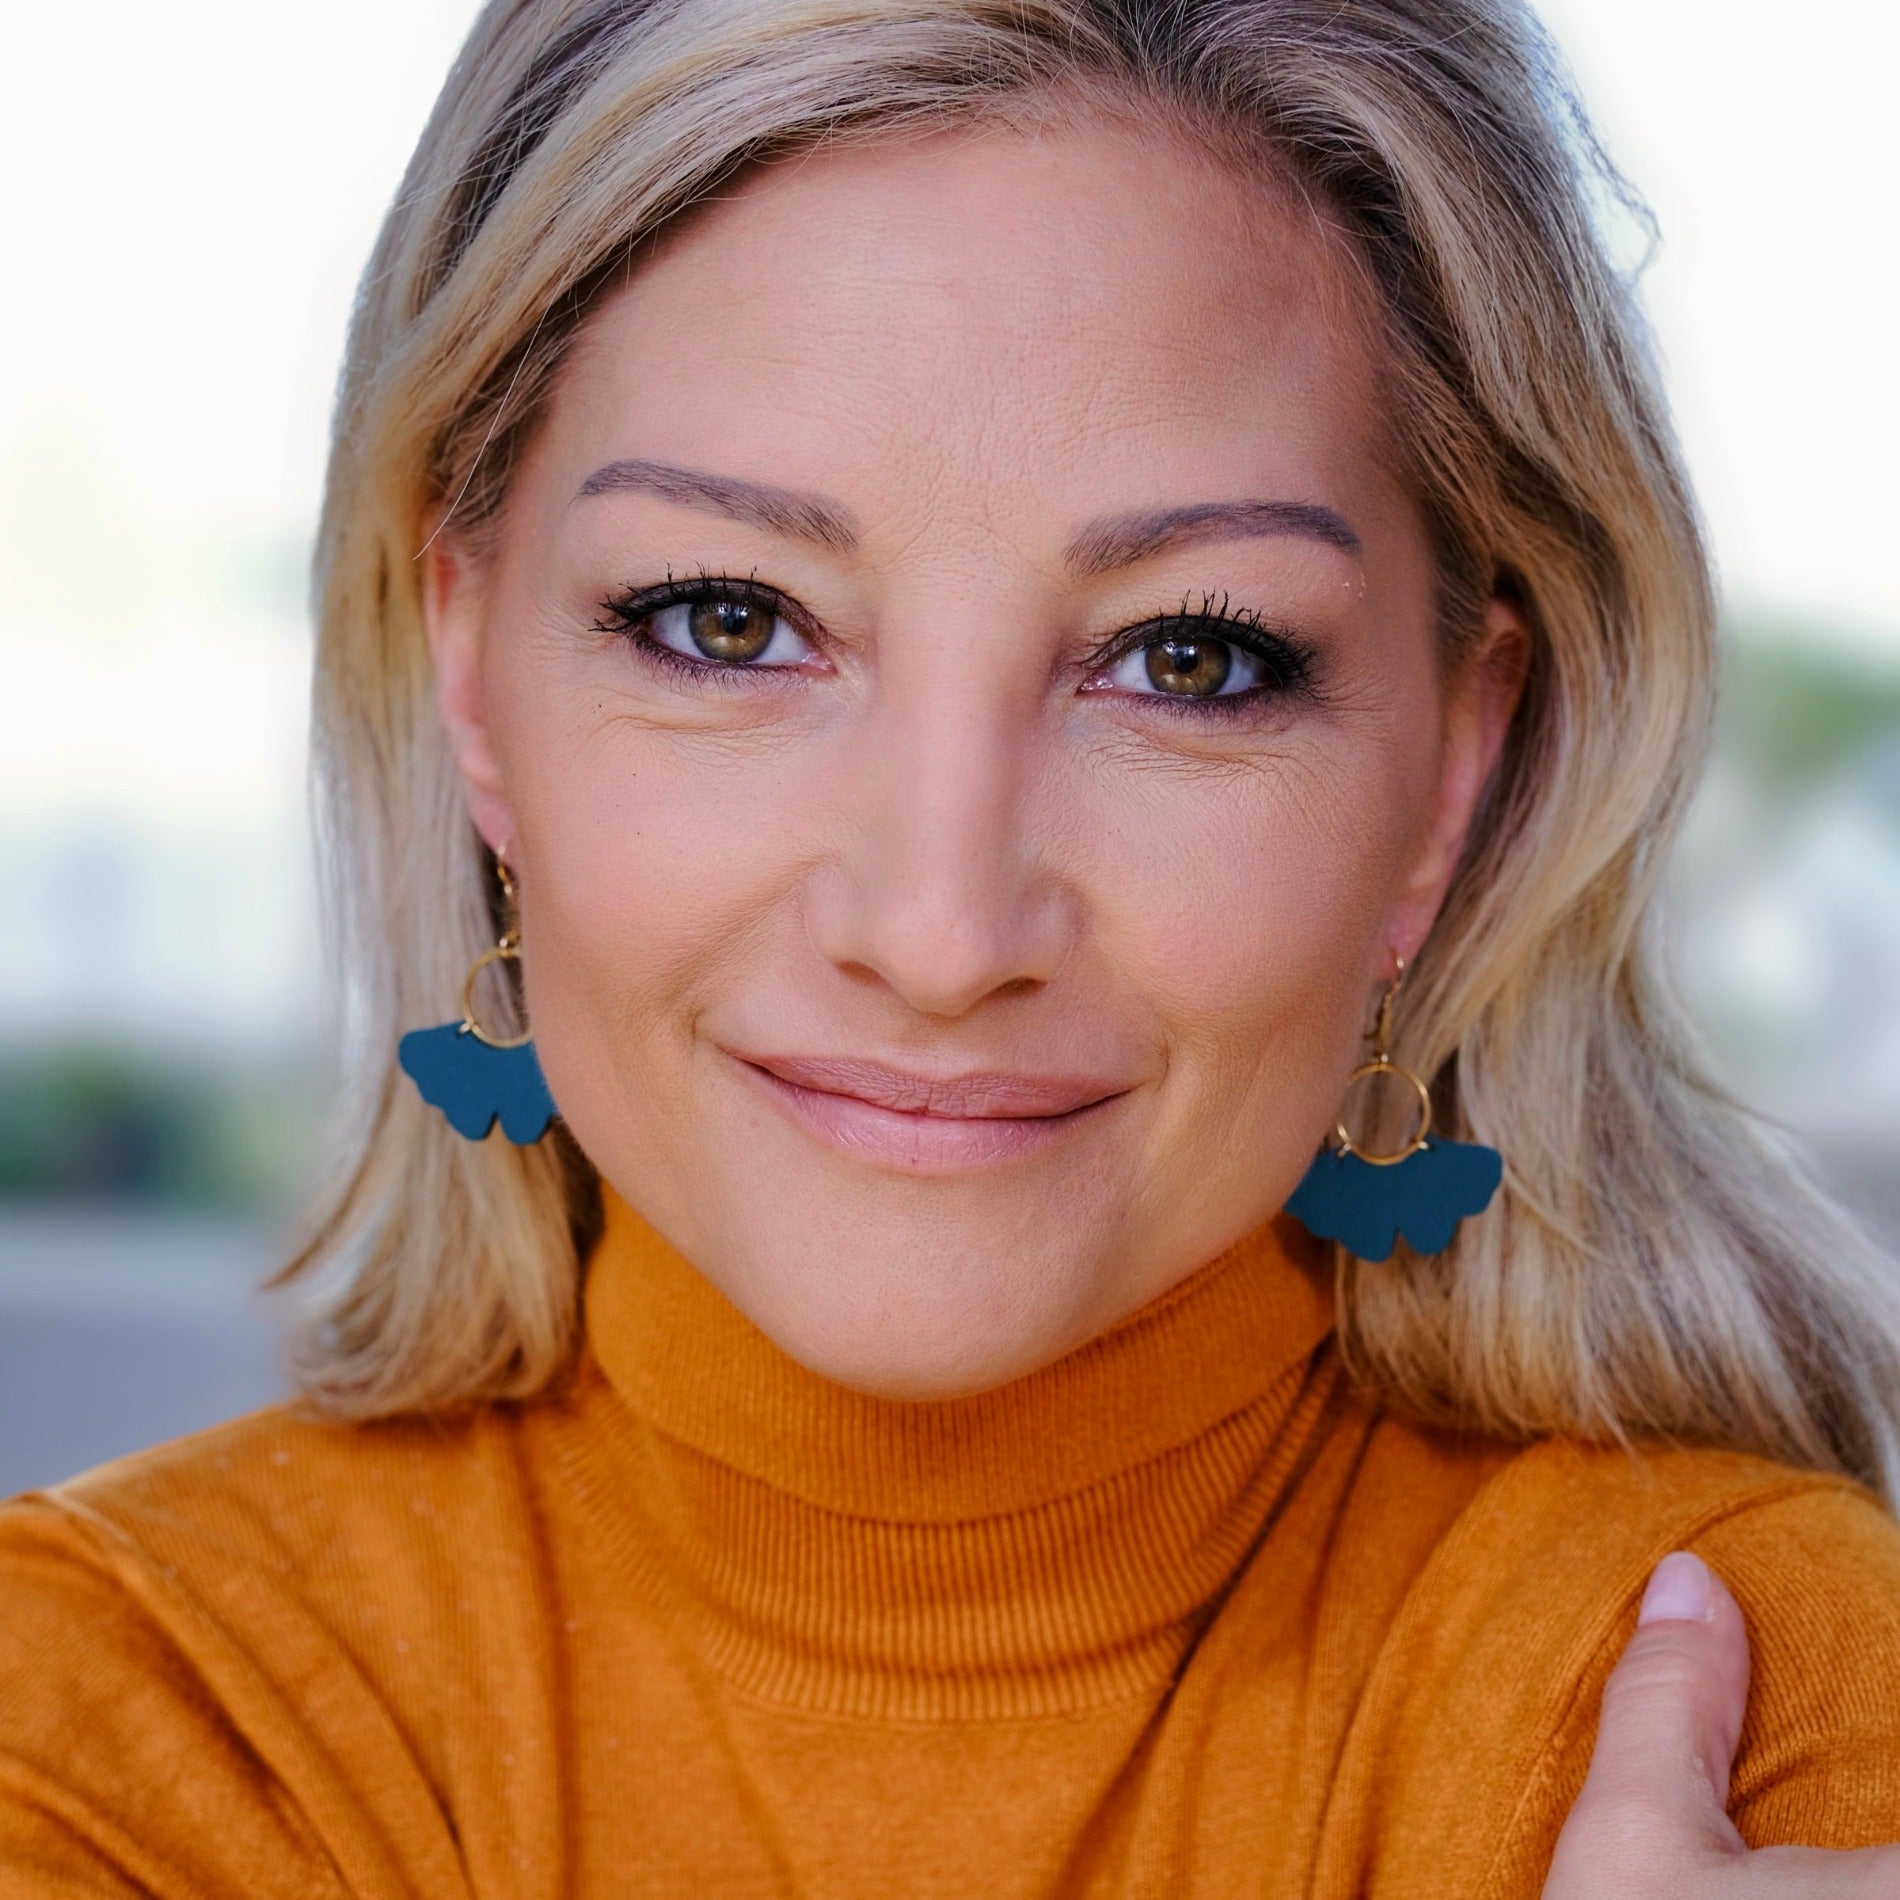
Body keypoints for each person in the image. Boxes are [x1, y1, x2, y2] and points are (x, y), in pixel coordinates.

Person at [3, 0, 1898, 1893]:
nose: (937, 933)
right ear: (471, 667)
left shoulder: (1744, 1712)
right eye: (727, 621)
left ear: (1451, 770)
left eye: (1192, 656)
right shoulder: (107, 1719)